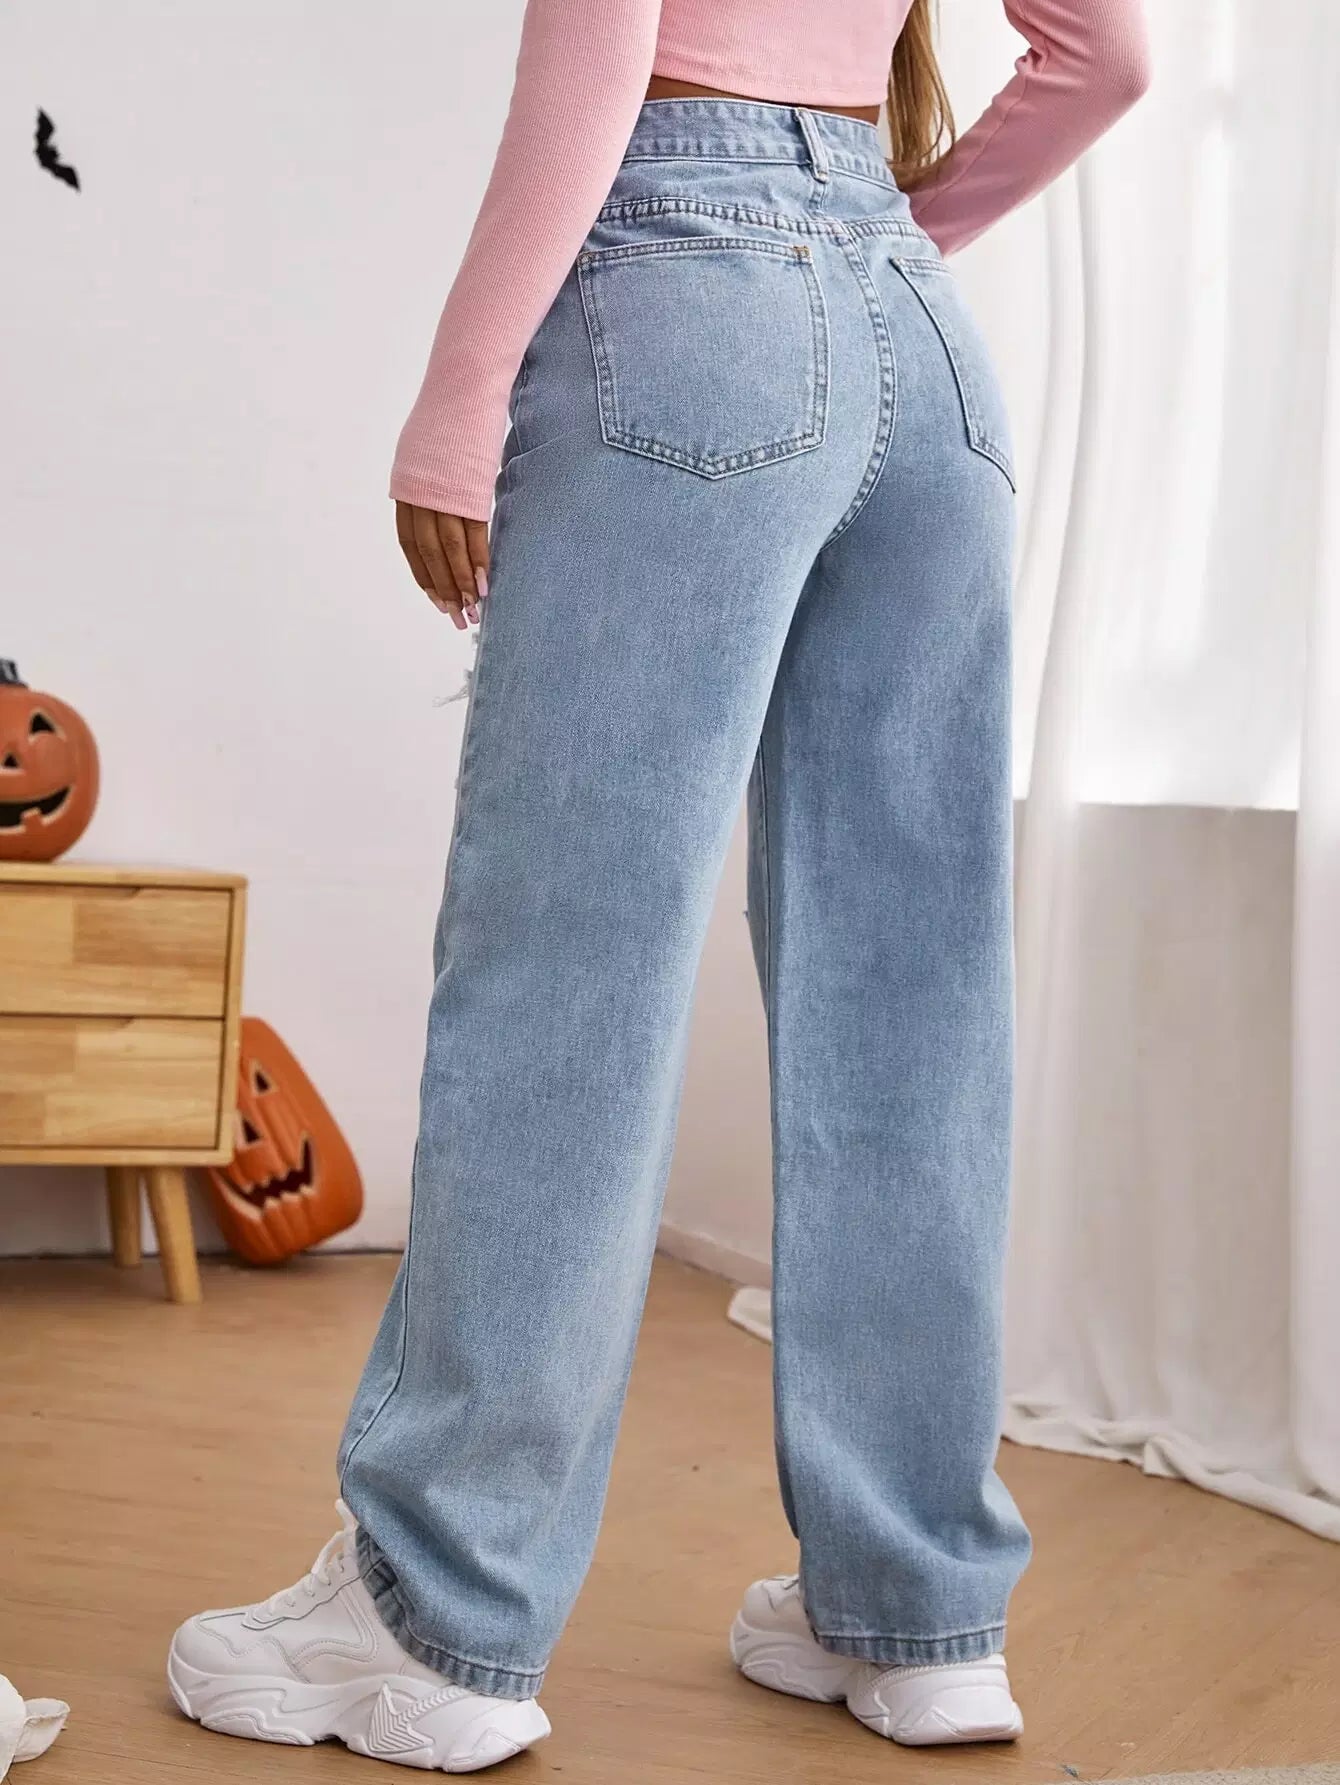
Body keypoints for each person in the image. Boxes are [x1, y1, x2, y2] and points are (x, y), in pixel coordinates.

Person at [167, 0, 1149, 1770]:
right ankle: (914, 1613)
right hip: (919, 345)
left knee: (567, 975)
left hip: (680, 300)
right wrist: (873, 241)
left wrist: (459, 399)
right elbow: (1109, 55)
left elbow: (608, 36)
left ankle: (438, 1619)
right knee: (910, 1006)